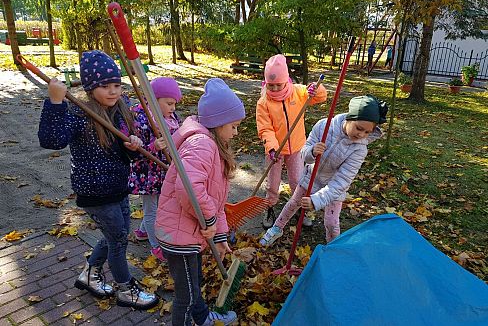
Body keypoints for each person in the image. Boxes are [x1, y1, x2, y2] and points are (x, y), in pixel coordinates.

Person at [38, 50, 159, 310]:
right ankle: (126, 289)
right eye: (105, 86)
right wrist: (55, 103)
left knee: (117, 234)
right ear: (91, 87)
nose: (113, 91)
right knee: (118, 239)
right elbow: (51, 140)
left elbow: (123, 150)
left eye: (116, 84)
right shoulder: (79, 114)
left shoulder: (118, 110)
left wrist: (133, 145)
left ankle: (89, 275)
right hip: (95, 192)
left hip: (118, 187)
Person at [154, 78, 245, 326]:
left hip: (189, 230)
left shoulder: (212, 144)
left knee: (195, 282)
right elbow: (189, 189)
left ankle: (203, 318)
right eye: (234, 126)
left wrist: (220, 234)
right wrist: (210, 220)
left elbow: (216, 199)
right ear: (217, 122)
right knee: (187, 294)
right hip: (178, 233)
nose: (236, 133)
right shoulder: (202, 145)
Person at [260, 95, 388, 247]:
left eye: (367, 132)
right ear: (349, 118)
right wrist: (312, 152)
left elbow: (342, 181)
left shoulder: (359, 149)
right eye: (359, 128)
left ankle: (333, 248)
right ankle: (277, 228)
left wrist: (316, 200)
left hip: (334, 187)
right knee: (293, 203)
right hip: (311, 176)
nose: (361, 135)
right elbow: (304, 153)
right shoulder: (324, 126)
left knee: (332, 223)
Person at [256, 54, 327, 229]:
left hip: (297, 147)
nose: (274, 88)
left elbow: (320, 97)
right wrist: (272, 149)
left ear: (286, 79)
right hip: (275, 151)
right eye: (270, 85)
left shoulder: (298, 91)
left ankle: (298, 209)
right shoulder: (263, 102)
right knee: (273, 183)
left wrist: (315, 90)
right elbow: (265, 129)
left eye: (278, 84)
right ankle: (270, 206)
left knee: (297, 180)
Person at [129, 77, 182, 261]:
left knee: (156, 205)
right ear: (154, 99)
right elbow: (135, 150)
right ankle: (155, 246)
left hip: (163, 170)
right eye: (169, 103)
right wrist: (153, 147)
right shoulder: (143, 119)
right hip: (148, 173)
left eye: (174, 104)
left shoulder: (172, 119)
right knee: (153, 210)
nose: (173, 108)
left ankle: (143, 231)